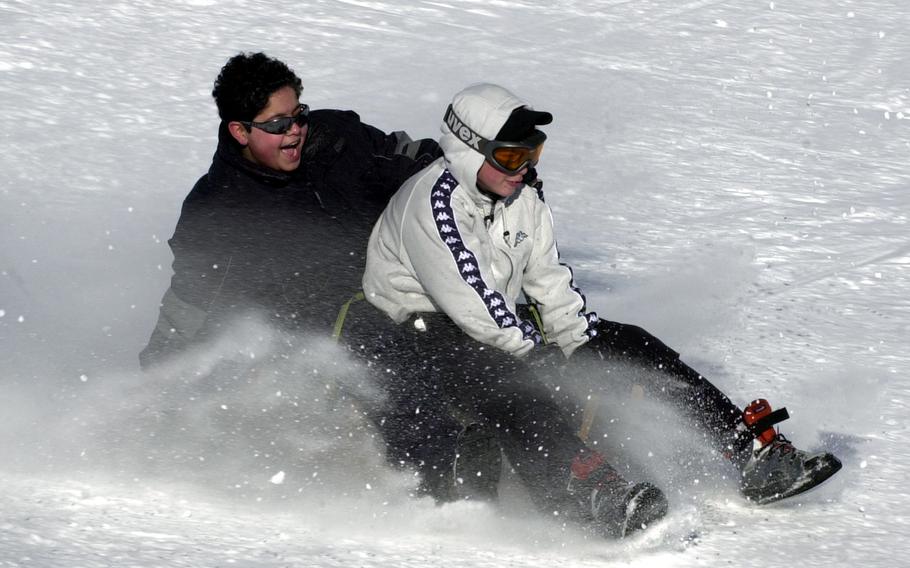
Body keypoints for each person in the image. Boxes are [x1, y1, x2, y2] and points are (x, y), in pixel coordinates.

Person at [354, 83, 842, 536]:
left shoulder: (523, 193)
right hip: (413, 335)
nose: (523, 167)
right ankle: (583, 495)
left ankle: (749, 452)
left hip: (494, 321)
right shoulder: (434, 204)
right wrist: (539, 360)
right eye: (508, 156)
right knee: (508, 381)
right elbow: (471, 305)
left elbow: (546, 279)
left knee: (628, 343)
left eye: (532, 152)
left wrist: (580, 340)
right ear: (466, 150)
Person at [140, 52, 440, 367]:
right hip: (337, 351)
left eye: (299, 115)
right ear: (240, 132)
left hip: (417, 291)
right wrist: (159, 381)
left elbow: (412, 162)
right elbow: (191, 305)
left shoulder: (335, 138)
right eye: (279, 123)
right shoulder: (219, 211)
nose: (295, 129)